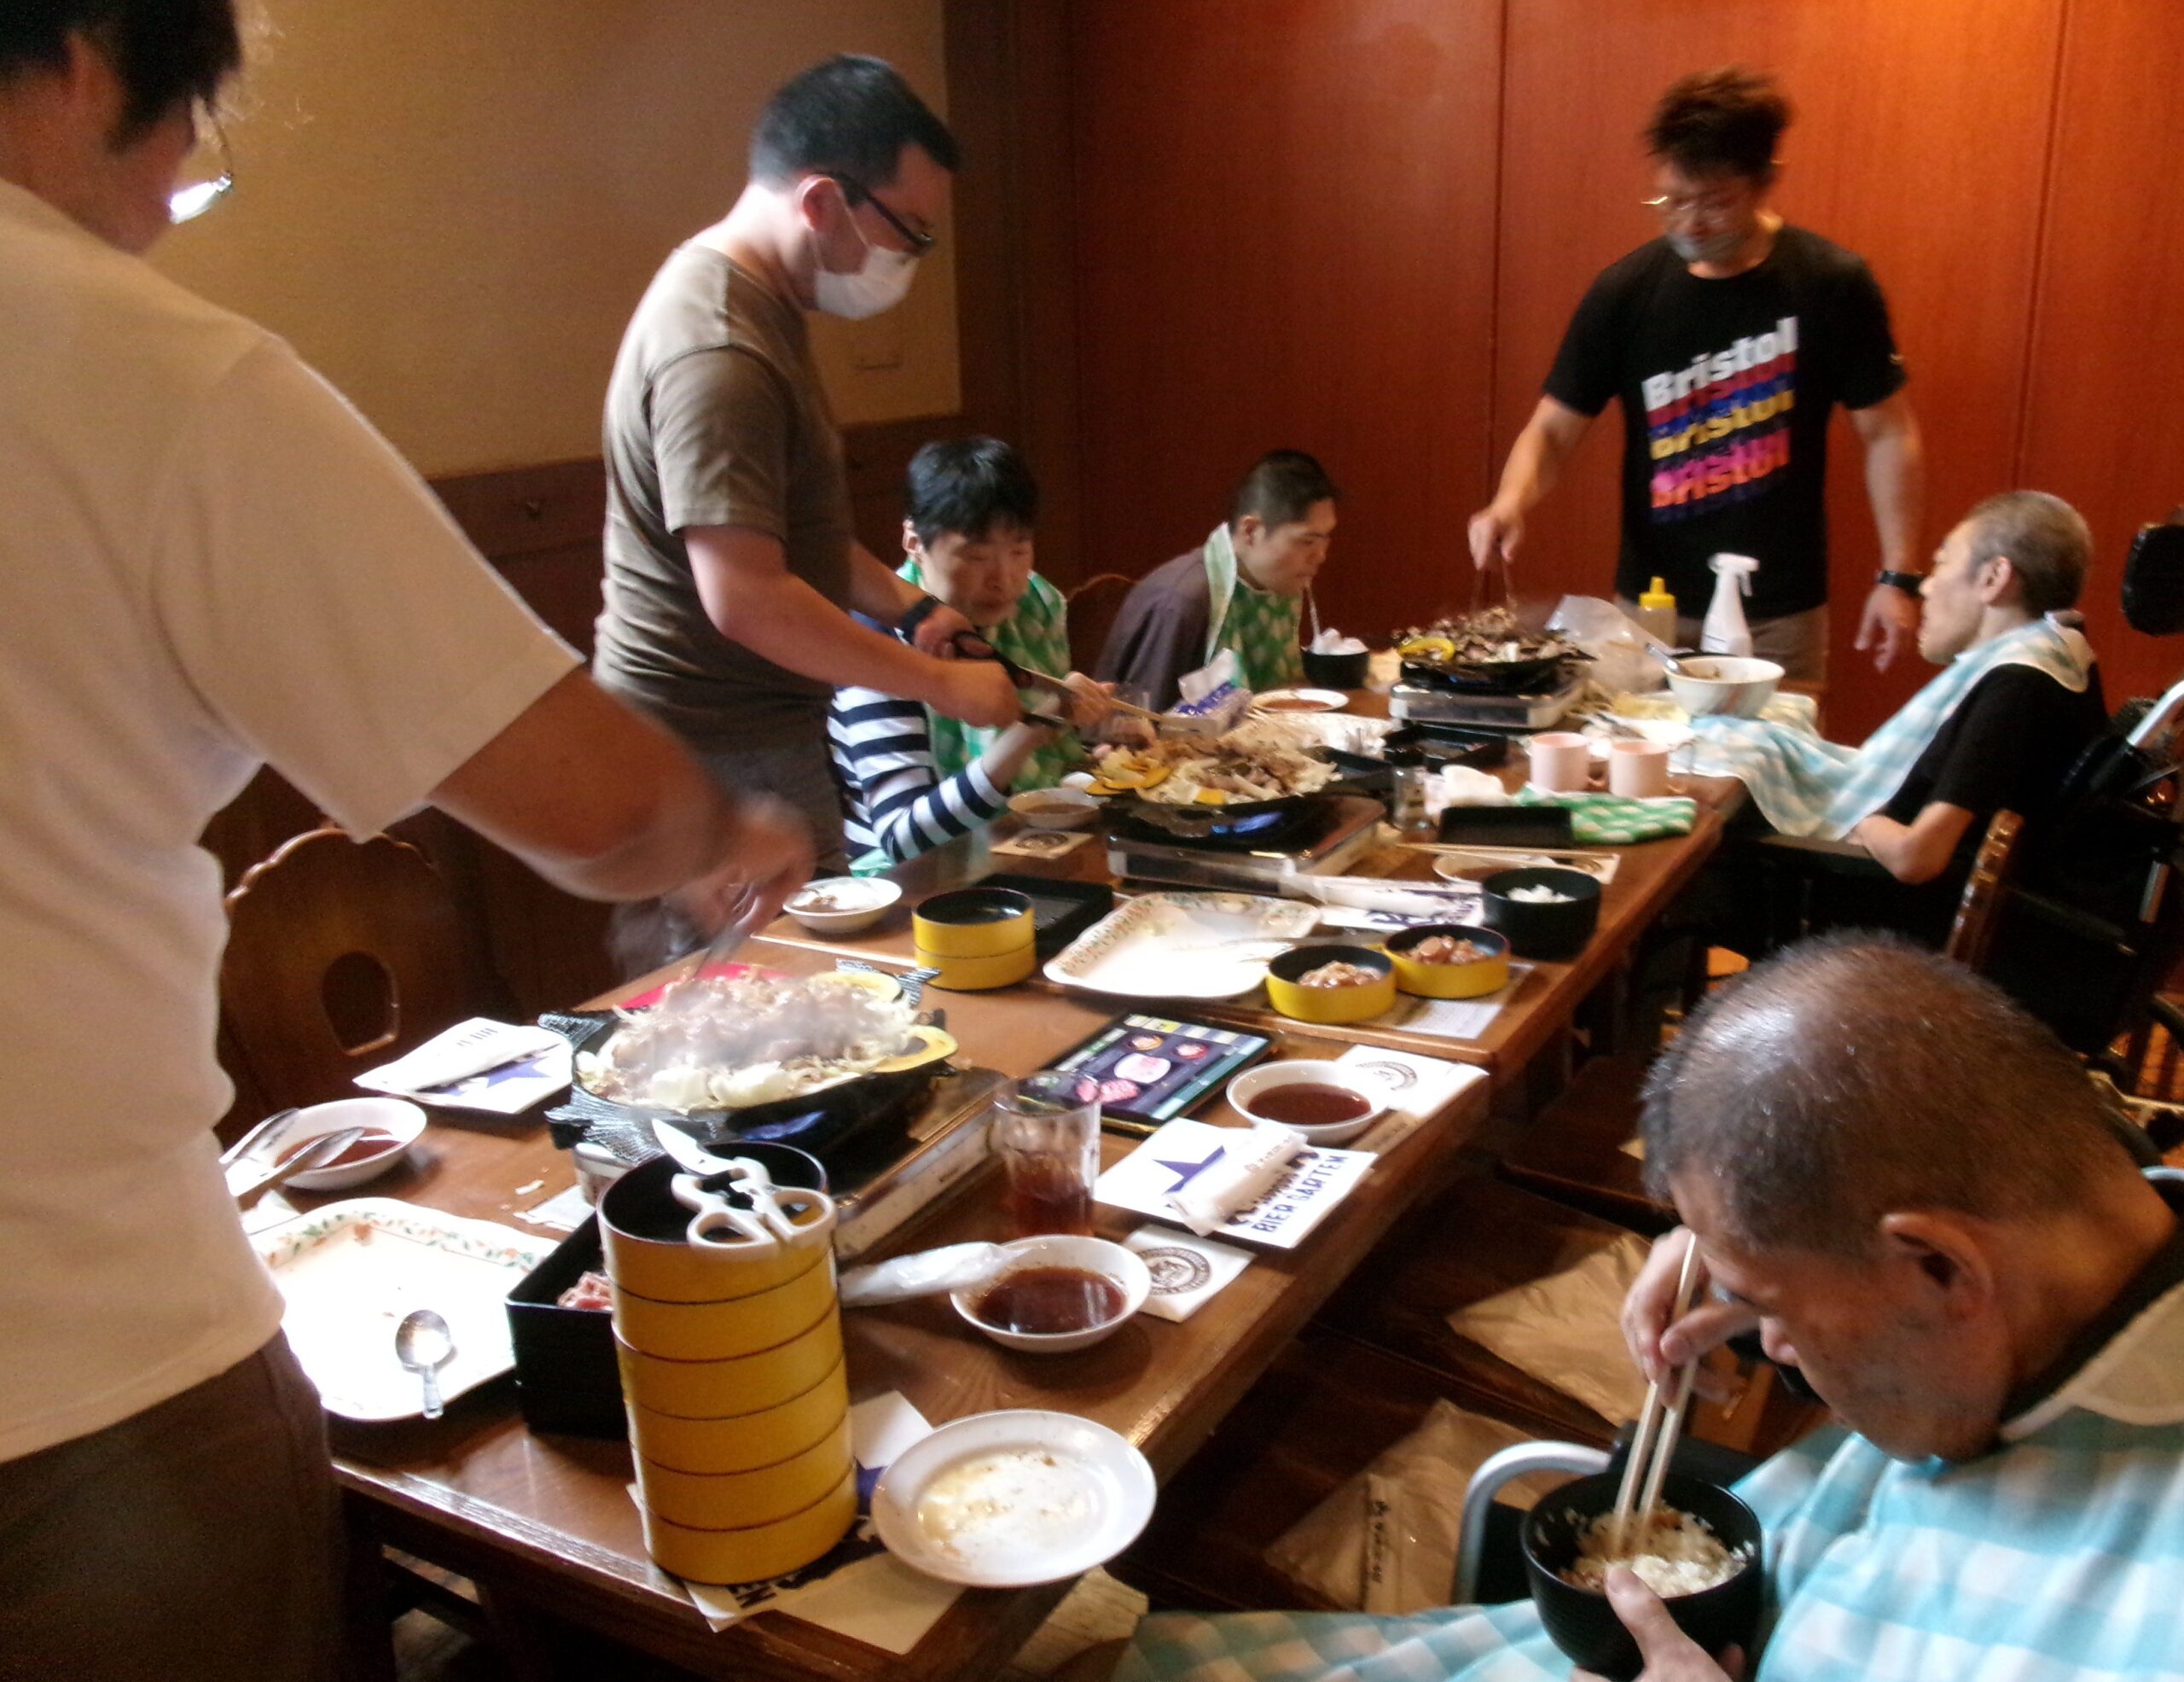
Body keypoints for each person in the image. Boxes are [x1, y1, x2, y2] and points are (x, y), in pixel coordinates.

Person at [0, 0, 812, 1678]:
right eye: (184, 146)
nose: (166, 204)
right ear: (81, 55)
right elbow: (597, 808)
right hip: (79, 1383)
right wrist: (724, 835)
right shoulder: (142, 367)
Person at [1108, 934, 2184, 1681]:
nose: (1772, 1347)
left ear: (1941, 1267)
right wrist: (1738, 1251)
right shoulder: (2088, 1221)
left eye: (1771, 1309)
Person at [592, 54, 1022, 873]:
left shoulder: (761, 307)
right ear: (822, 202)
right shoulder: (720, 348)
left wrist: (908, 605)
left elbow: (783, 529)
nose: (914, 255)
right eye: (910, 231)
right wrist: (939, 684)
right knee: (761, 959)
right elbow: (746, 596)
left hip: (756, 731)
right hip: (713, 748)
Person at [1467, 68, 1926, 680]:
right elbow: (1553, 429)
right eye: (1672, 202)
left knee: (1774, 746)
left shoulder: (1831, 284)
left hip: (1778, 613)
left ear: (1765, 182)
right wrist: (1509, 502)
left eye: (1714, 203)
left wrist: (1898, 575)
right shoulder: (1626, 291)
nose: (1689, 223)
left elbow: (1889, 432)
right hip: (1652, 609)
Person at [1692, 491, 2106, 946]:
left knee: (1691, 859)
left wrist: (1864, 821)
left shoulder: (2016, 688)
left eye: (1941, 564)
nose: (1925, 588)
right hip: (1953, 903)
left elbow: (1917, 857)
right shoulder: (2061, 654)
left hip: (1907, 921)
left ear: (1994, 578)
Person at [830, 437, 1110, 869]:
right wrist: (1035, 728)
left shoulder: (1035, 603)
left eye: (1019, 550)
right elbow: (902, 839)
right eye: (977, 556)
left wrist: (1096, 748)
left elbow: (1049, 767)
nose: (1005, 578)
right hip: (907, 881)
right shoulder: (876, 642)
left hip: (1020, 847)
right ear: (913, 541)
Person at [1095, 448, 1339, 709]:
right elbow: (1140, 722)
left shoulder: (1273, 586)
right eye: (1307, 541)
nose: (1321, 556)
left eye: (1325, 539)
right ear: (1251, 531)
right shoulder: (1184, 601)